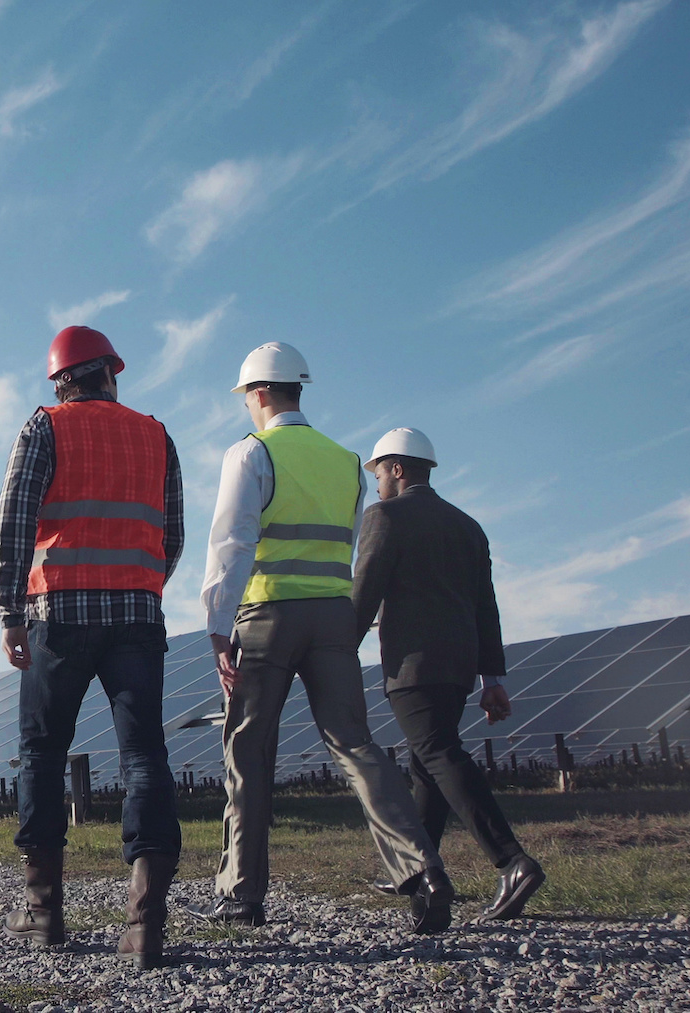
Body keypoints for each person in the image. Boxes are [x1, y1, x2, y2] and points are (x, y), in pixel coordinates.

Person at [192, 342, 454, 934]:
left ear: (258, 394)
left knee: (249, 752)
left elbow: (231, 546)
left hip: (267, 617)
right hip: (334, 618)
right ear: (297, 390)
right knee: (356, 745)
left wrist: (216, 626)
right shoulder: (345, 459)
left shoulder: (251, 453)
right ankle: (423, 870)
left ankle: (242, 894)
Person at [0, 325, 185, 970]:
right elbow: (172, 533)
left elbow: (15, 518)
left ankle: (44, 910)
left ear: (61, 379)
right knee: (144, 755)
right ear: (111, 371)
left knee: (43, 753)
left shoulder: (44, 427)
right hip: (137, 612)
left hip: (60, 612)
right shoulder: (156, 435)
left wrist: (8, 608)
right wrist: (140, 583)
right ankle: (145, 921)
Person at [354, 428, 546, 922]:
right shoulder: (468, 525)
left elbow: (365, 592)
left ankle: (512, 860)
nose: (375, 485)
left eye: (377, 473)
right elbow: (487, 606)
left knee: (438, 754)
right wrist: (493, 676)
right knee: (427, 762)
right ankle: (417, 869)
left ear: (397, 468)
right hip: (459, 665)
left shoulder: (385, 516)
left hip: (413, 665)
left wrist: (334, 650)